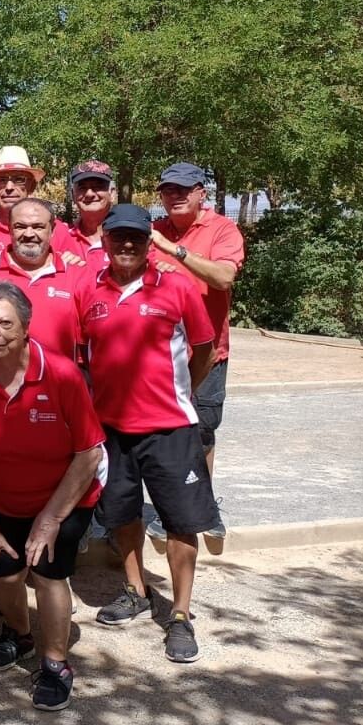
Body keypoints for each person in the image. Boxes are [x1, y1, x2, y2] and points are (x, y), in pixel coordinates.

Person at [0, 281, 105, 711]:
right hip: (4, 499)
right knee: (0, 574)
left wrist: (51, 519)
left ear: (25, 327)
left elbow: (89, 454)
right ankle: (18, 636)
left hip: (67, 495)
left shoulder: (60, 373)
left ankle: (56, 663)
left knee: (48, 572)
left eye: (5, 323)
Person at [78, 204, 217, 663]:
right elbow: (82, 354)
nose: (126, 244)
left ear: (147, 240)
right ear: (104, 240)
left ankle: (179, 615)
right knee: (121, 515)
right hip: (113, 429)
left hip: (171, 429)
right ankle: (135, 589)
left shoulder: (176, 286)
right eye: (117, 236)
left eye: (136, 236)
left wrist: (182, 393)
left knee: (181, 522)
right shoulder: (89, 290)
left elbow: (203, 348)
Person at [150, 162, 245, 541]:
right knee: (161, 435)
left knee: (202, 431)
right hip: (157, 355)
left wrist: (175, 251)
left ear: (201, 193)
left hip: (207, 353)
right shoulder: (152, 230)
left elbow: (223, 277)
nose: (175, 196)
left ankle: (203, 506)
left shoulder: (222, 228)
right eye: (168, 190)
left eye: (184, 190)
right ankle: (167, 510)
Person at [0, 199, 83, 362]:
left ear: (52, 230)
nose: (29, 234)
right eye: (20, 227)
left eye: (38, 227)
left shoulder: (77, 274)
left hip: (57, 384)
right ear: (9, 229)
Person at [0, 147, 83, 268]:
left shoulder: (58, 231)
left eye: (19, 179)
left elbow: (76, 277)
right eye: (1, 180)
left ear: (32, 186)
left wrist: (73, 264)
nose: (9, 187)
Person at [65, 160, 116, 272]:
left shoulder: (131, 236)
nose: (89, 194)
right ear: (73, 195)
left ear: (112, 194)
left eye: (98, 186)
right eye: (82, 188)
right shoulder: (61, 236)